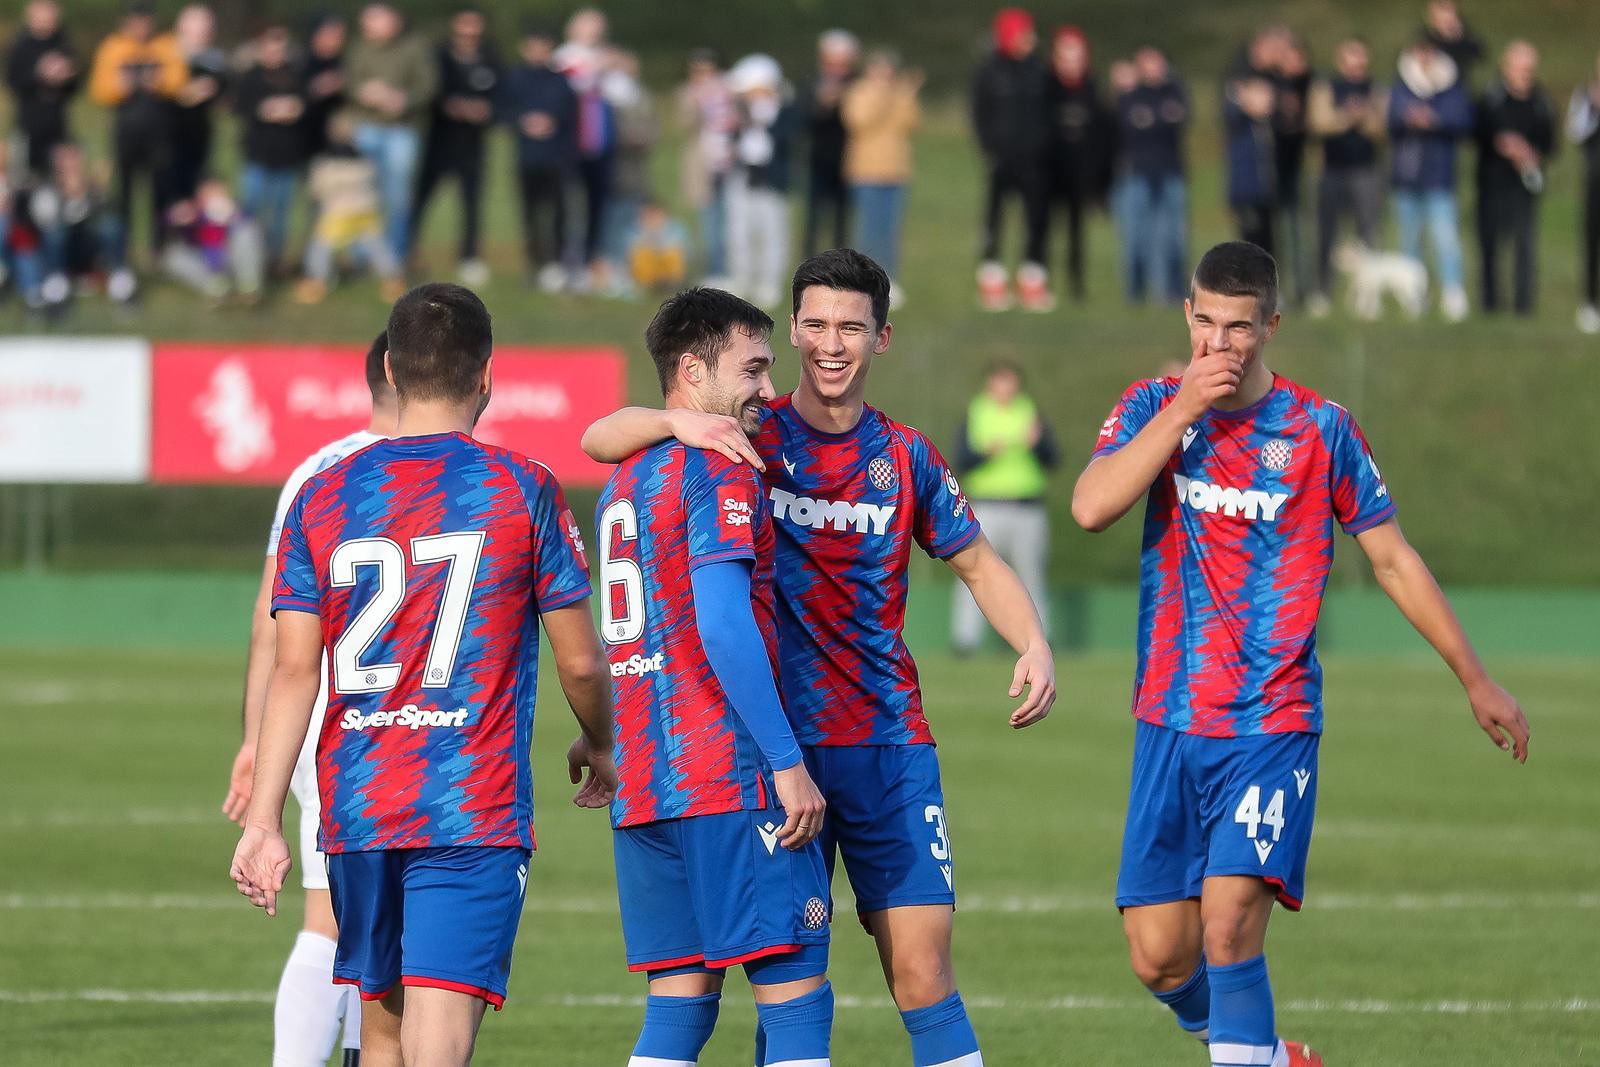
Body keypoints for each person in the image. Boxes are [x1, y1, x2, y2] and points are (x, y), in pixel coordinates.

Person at [583, 248, 1057, 1067]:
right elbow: (600, 435)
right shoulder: (744, 435)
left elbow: (977, 562)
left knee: (921, 965)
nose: (831, 343)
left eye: (851, 326)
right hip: (771, 747)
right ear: (795, 328)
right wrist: (675, 419)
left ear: (882, 337)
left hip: (884, 740)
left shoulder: (904, 455)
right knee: (788, 974)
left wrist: (1035, 641)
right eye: (815, 324)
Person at [1070, 240, 1529, 1067]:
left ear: (1271, 326)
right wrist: (1180, 412)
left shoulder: (1320, 430)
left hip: (1270, 721)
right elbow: (1092, 505)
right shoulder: (1150, 405)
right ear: (1187, 315)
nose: (1219, 343)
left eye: (1239, 328)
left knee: (1229, 922)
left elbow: (1392, 558)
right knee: (1159, 954)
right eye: (1205, 322)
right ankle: (1273, 1056)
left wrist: (1477, 677)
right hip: (1168, 718)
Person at [230, 282, 619, 1067]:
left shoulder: (322, 491)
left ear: (391, 371)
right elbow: (581, 658)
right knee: (437, 1043)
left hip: (359, 804)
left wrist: (265, 816)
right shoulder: (521, 485)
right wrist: (601, 739)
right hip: (466, 804)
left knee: (381, 1034)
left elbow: (295, 668)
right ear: (486, 377)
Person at [599, 287, 835, 1067]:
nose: (770, 389)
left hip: (646, 783)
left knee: (677, 1013)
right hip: (726, 778)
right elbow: (724, 623)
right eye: (756, 368)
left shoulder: (626, 477)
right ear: (693, 370)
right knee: (796, 1001)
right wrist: (787, 762)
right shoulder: (724, 464)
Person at [223, 332, 397, 1067]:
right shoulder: (456, 472)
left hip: (319, 716)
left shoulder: (314, 470)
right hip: (385, 723)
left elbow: (272, 610)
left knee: (345, 917)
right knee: (354, 922)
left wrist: (257, 737)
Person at [950, 361, 1057, 657]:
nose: (1005, 388)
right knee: (972, 571)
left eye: (1010, 382)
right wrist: (986, 453)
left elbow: (1052, 458)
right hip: (987, 506)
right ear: (990, 384)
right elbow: (961, 458)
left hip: (1027, 505)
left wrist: (1037, 444)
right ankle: (965, 641)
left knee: (1031, 574)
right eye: (1000, 381)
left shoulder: (1029, 412)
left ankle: (1038, 640)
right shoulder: (977, 412)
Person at [88, 0, 187, 261]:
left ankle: (159, 247)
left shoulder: (166, 44)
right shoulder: (114, 47)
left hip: (160, 134)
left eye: (145, 19)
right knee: (125, 192)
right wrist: (122, 86)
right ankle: (124, 247)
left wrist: (160, 82)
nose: (141, 25)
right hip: (126, 133)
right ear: (127, 21)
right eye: (136, 20)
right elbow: (99, 90)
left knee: (160, 191)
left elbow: (179, 81)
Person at [410, 7, 500, 287]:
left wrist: (486, 110)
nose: (469, 33)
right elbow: (430, 91)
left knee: (472, 202)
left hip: (473, 144)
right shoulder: (439, 56)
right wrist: (454, 105)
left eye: (474, 27)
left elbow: (501, 94)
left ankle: (469, 256)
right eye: (464, 27)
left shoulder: (490, 58)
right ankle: (406, 250)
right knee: (420, 199)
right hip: (440, 141)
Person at [972, 8, 1054, 312]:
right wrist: (988, 150)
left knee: (1036, 221)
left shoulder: (1039, 70)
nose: (1030, 39)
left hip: (1034, 161)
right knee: (995, 219)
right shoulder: (990, 70)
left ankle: (1033, 281)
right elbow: (979, 114)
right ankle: (991, 280)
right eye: (1023, 34)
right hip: (1001, 160)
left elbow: (1049, 112)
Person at [344, 2, 437, 264]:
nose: (369, 26)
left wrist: (402, 100)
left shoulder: (415, 46)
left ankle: (395, 253)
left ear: (393, 21)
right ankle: (362, 254)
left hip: (402, 130)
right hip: (367, 127)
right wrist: (366, 92)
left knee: (398, 195)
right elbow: (350, 83)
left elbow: (428, 86)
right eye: (367, 22)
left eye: (375, 21)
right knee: (363, 192)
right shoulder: (359, 48)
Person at [1387, 36, 1472, 321]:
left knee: (1445, 238)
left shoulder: (1451, 89)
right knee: (1410, 240)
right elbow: (1390, 120)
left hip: (1439, 176)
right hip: (1407, 176)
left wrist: (1435, 119)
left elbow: (1463, 120)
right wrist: (1407, 118)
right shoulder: (1401, 87)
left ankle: (1453, 293)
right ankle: (1414, 297)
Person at [1307, 37, 1387, 317]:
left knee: (1368, 232)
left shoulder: (1376, 89)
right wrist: (1346, 117)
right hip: (1332, 170)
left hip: (1365, 170)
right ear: (1341, 60)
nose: (1357, 65)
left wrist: (1364, 118)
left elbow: (1382, 128)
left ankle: (1369, 298)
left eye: (1361, 59)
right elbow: (1318, 122)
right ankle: (1323, 292)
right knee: (1327, 232)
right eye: (1351, 58)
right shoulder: (1326, 87)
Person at [1474, 41, 1554, 316]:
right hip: (1493, 180)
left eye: (1530, 69)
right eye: (1520, 68)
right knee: (1490, 243)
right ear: (1506, 68)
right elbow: (1477, 132)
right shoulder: (1491, 97)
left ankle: (1523, 306)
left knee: (1524, 243)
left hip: (1525, 182)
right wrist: (1501, 143)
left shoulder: (1542, 102)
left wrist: (1532, 153)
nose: (1525, 74)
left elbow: (1550, 142)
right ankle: (1490, 304)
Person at [295, 115, 406, 305]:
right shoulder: (363, 158)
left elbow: (318, 187)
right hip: (365, 208)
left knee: (321, 247)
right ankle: (393, 280)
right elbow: (373, 179)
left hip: (337, 211)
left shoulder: (325, 161)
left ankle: (315, 282)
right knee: (377, 245)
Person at [501, 23, 577, 291]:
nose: (538, 52)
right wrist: (524, 122)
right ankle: (535, 264)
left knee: (558, 213)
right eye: (533, 47)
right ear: (525, 49)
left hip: (556, 159)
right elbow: (503, 112)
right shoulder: (515, 78)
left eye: (543, 47)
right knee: (530, 215)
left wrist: (552, 124)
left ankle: (556, 264)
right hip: (527, 158)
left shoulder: (561, 81)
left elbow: (571, 119)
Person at [841, 49, 920, 307]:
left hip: (895, 172)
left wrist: (907, 95)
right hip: (867, 172)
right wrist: (884, 95)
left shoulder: (898, 94)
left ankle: (889, 280)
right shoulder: (859, 92)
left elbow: (910, 123)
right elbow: (860, 121)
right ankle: (865, 281)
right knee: (870, 229)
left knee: (890, 230)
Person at [1113, 47, 1190, 305]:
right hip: (1138, 172)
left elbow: (1179, 116)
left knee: (1173, 236)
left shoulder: (1174, 90)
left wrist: (1150, 119)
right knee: (1136, 236)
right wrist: (1160, 117)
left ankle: (1173, 291)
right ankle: (1135, 292)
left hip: (1170, 171)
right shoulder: (1131, 95)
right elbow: (1127, 124)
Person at [234, 24, 310, 277]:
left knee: (279, 215)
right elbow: (240, 108)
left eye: (280, 47)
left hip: (286, 155)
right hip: (257, 154)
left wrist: (294, 108)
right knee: (252, 213)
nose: (275, 52)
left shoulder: (295, 74)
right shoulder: (250, 76)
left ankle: (273, 262)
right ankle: (248, 263)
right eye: (271, 47)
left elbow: (305, 104)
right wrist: (264, 110)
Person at [1046, 26, 1113, 304]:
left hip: (1079, 173)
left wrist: (1098, 178)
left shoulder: (1092, 89)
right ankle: (1040, 282)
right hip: (1050, 171)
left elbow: (1102, 133)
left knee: (1076, 231)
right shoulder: (1047, 86)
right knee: (1044, 228)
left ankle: (1076, 284)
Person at [724, 53, 797, 308]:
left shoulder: (784, 112)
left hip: (771, 182)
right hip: (743, 179)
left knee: (772, 234)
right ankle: (742, 280)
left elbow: (787, 140)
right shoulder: (738, 113)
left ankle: (769, 283)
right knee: (739, 233)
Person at [554, 8, 615, 292]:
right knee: (570, 204)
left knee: (597, 204)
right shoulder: (566, 56)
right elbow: (571, 84)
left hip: (600, 142)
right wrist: (599, 70)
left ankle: (592, 259)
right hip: (572, 143)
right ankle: (567, 261)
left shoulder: (608, 57)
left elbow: (623, 92)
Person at [676, 48, 734, 282]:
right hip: (702, 163)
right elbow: (684, 124)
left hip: (729, 162)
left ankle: (729, 266)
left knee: (729, 216)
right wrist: (697, 104)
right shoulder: (687, 94)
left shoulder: (729, 91)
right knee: (709, 218)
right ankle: (714, 269)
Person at [159, 177, 264, 304]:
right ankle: (217, 288)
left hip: (232, 257)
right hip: (206, 262)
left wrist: (235, 218)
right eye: (209, 195)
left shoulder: (236, 213)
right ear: (200, 199)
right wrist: (176, 217)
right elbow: (165, 222)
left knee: (247, 231)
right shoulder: (195, 215)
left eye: (219, 194)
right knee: (172, 255)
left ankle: (248, 286)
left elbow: (252, 227)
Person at [6, 0, 80, 178]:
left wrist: (65, 75)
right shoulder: (20, 45)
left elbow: (75, 85)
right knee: (25, 178)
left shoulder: (62, 43)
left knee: (59, 177)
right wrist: (40, 74)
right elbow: (13, 81)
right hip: (28, 125)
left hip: (57, 124)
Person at [803, 29, 857, 256]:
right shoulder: (812, 84)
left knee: (842, 217)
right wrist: (823, 104)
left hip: (848, 159)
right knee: (814, 215)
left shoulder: (857, 84)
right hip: (818, 158)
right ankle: (809, 262)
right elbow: (805, 118)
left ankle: (841, 263)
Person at [168, 4, 227, 203]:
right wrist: (186, 93)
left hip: (200, 137)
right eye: (197, 32)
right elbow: (166, 94)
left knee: (199, 189)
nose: (202, 38)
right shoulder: (170, 56)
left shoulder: (213, 61)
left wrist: (213, 92)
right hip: (172, 139)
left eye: (205, 33)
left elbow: (224, 101)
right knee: (174, 194)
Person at [1223, 69, 1277, 255]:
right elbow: (1231, 105)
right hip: (1246, 193)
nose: (1267, 99)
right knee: (1250, 247)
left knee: (1268, 246)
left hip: (1265, 193)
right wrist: (1243, 97)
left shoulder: (1266, 124)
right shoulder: (1239, 122)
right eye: (1262, 94)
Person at [1567, 50, 1600, 335]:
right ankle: (1590, 303)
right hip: (1595, 181)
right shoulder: (1585, 95)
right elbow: (1574, 132)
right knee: (1592, 243)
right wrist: (1593, 107)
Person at [302, 14, 347, 159]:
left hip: (332, 133)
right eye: (331, 34)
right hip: (306, 130)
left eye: (339, 35)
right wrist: (316, 88)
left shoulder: (345, 62)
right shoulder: (303, 62)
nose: (337, 39)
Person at [626, 198, 687, 293]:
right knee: (641, 253)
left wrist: (658, 240)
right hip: (648, 268)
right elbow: (631, 249)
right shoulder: (636, 230)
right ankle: (645, 285)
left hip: (665, 266)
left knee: (673, 253)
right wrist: (648, 234)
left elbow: (683, 248)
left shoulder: (675, 228)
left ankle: (670, 283)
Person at [1422, 0, 1485, 84]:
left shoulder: (1464, 39)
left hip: (1456, 88)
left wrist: (1459, 37)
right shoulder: (1424, 38)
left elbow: (1480, 54)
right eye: (1443, 21)